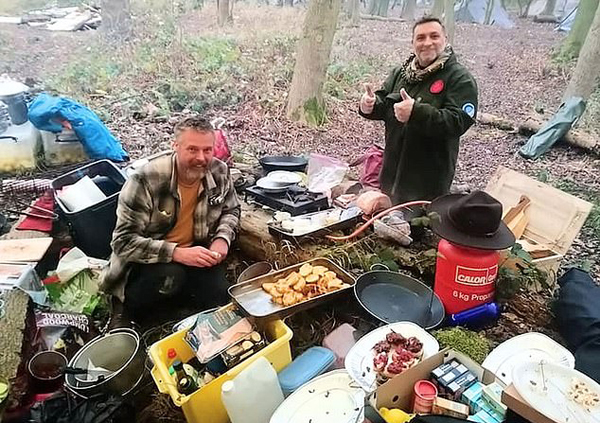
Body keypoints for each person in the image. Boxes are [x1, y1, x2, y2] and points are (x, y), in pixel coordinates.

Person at [101, 116, 240, 326]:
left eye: (207, 150)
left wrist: (222, 238)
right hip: (149, 261)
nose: (201, 158)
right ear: (175, 146)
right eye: (192, 149)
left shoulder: (219, 171)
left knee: (221, 298)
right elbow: (123, 242)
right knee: (168, 279)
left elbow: (232, 210)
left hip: (196, 251)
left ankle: (183, 308)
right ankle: (135, 316)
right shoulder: (145, 179)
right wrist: (177, 253)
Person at [359, 16, 478, 205]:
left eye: (434, 36)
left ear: (445, 39)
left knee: (417, 229)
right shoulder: (401, 73)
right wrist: (369, 106)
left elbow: (458, 122)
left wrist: (416, 113)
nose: (427, 43)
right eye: (420, 38)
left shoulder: (459, 78)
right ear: (413, 43)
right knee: (382, 223)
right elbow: (383, 103)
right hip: (391, 176)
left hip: (427, 184)